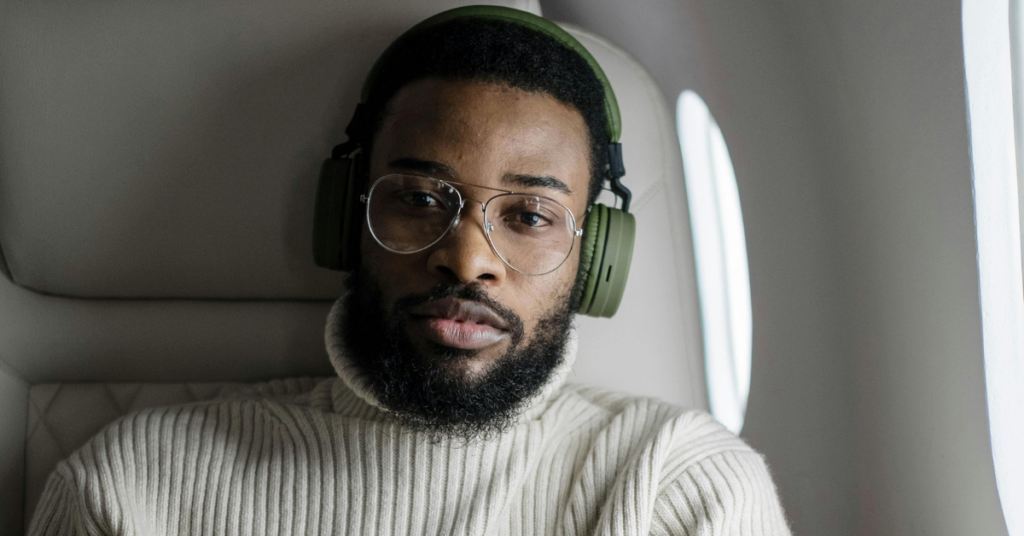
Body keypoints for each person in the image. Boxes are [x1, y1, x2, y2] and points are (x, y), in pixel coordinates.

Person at [28, 6, 791, 535]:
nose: (465, 258)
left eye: (529, 216)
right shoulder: (135, 488)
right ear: (348, 216)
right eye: (422, 199)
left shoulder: (683, 490)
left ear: (593, 260)